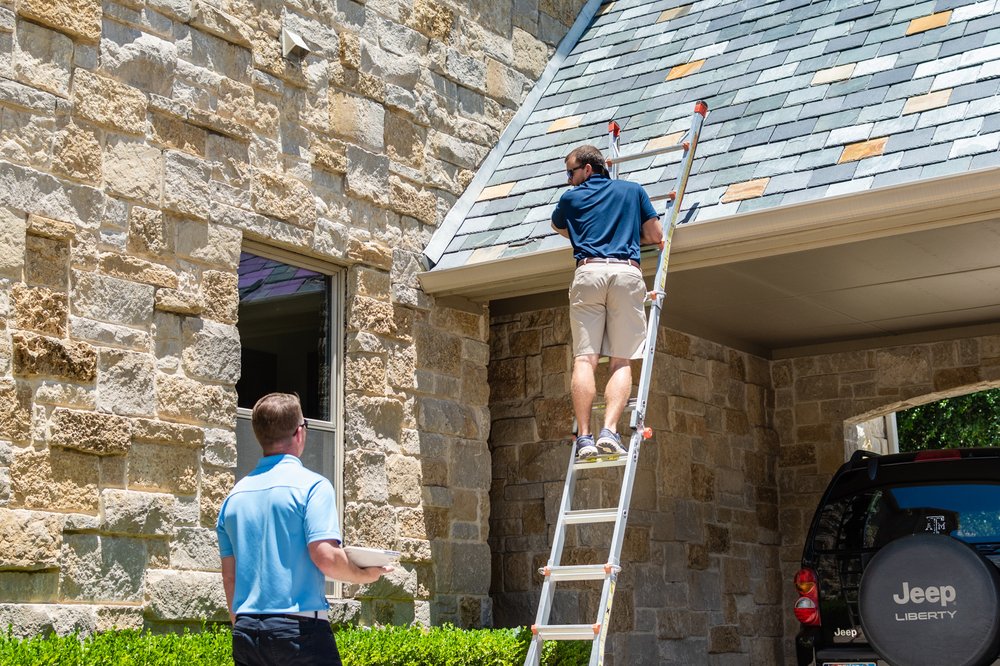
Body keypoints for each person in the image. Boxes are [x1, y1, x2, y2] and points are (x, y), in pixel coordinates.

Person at [217, 392, 390, 666]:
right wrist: (364, 575)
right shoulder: (313, 487)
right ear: (300, 433)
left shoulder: (233, 498)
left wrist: (243, 625)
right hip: (299, 632)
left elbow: (230, 577)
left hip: (247, 631)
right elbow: (326, 556)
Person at [551, 145, 663, 459]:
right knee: (621, 359)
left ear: (588, 169)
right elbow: (656, 235)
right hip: (626, 273)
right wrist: (626, 232)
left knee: (584, 360)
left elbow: (559, 226)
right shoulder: (633, 191)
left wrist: (588, 230)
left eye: (571, 172)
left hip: (588, 273)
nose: (569, 180)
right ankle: (610, 431)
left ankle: (585, 438)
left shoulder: (570, 199)